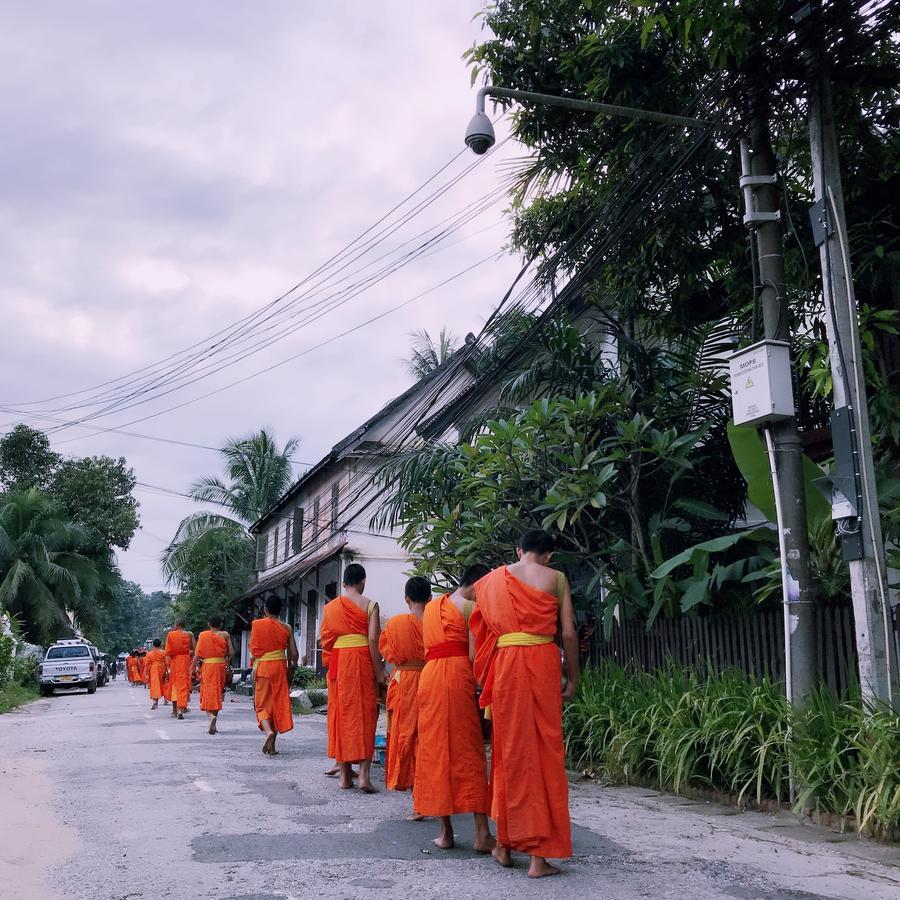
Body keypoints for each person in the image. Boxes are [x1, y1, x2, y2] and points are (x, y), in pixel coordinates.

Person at [471, 529, 580, 879]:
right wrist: (573, 678)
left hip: (506, 668)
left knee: (508, 754)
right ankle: (538, 858)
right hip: (542, 663)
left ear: (519, 551)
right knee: (545, 755)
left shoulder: (490, 582)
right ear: (548, 555)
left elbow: (480, 629)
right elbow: (568, 634)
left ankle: (504, 843)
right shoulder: (557, 578)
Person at [413, 564, 494, 853]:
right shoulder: (470, 608)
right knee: (468, 750)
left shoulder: (433, 607)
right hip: (457, 677)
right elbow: (474, 655)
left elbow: (428, 646)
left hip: (430, 677)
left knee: (434, 750)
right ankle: (481, 833)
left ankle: (446, 833)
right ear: (476, 585)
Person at [320, 563, 384, 793]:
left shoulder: (331, 608)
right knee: (366, 714)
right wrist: (379, 671)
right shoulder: (370, 605)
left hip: (339, 662)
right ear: (363, 581)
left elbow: (325, 640)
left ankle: (345, 776)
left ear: (344, 583)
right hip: (361, 661)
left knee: (341, 714)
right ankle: (365, 776)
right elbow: (374, 640)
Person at [379, 575, 429, 819]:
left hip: (404, 681)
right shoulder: (436, 621)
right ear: (430, 598)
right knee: (427, 737)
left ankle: (415, 795)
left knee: (405, 735)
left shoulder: (395, 623)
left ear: (406, 598)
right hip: (430, 678)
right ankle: (424, 795)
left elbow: (387, 652)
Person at [249, 596, 298, 754]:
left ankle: (268, 731)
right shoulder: (287, 627)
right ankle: (272, 746)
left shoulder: (257, 625)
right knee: (276, 704)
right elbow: (294, 654)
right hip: (279, 667)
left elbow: (253, 650)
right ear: (281, 610)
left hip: (263, 667)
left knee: (261, 705)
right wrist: (292, 666)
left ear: (265, 610)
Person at [193, 615, 234, 735]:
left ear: (208, 624)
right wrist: (225, 660)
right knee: (217, 692)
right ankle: (214, 724)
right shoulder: (225, 634)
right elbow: (231, 652)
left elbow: (197, 654)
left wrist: (192, 667)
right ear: (220, 625)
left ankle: (211, 716)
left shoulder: (203, 635)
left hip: (208, 666)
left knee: (206, 692)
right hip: (220, 665)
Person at [164, 619, 195, 719]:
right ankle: (181, 708)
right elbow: (194, 649)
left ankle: (174, 711)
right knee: (184, 685)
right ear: (184, 625)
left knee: (174, 685)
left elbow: (168, 651)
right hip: (185, 661)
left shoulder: (171, 635)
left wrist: (167, 666)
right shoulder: (189, 634)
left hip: (175, 662)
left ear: (176, 625)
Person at [146, 640, 166, 709]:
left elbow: (147, 664)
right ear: (160, 645)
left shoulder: (149, 654)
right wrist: (166, 671)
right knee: (164, 684)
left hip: (153, 669)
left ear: (153, 645)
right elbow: (166, 662)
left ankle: (155, 702)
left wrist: (146, 673)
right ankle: (166, 699)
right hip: (161, 668)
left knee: (155, 685)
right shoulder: (163, 652)